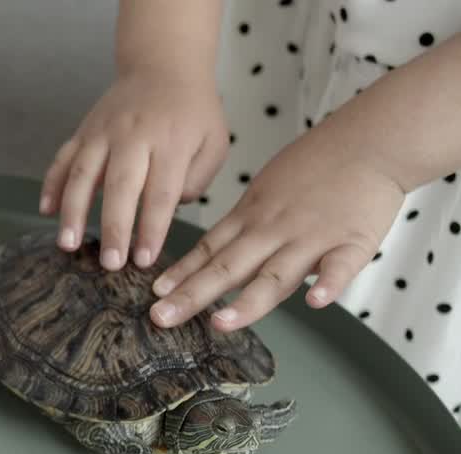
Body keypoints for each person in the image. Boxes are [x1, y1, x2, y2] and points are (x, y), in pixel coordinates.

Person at [39, 0, 460, 420]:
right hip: (288, 52)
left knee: (401, 397)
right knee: (230, 258)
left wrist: (375, 157)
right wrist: (162, 62)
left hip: (436, 131)